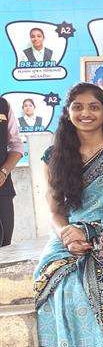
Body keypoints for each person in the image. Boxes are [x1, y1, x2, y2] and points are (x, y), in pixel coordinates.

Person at [34, 83, 103, 347]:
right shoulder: (54, 157)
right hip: (66, 234)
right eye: (78, 107)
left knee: (98, 277)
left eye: (94, 107)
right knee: (60, 280)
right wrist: (67, 236)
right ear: (67, 112)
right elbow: (55, 211)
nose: (86, 113)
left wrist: (89, 231)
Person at [0, 95, 22, 247]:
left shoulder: (3, 105)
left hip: (2, 191)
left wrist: (4, 172)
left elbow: (16, 145)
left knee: (4, 247)